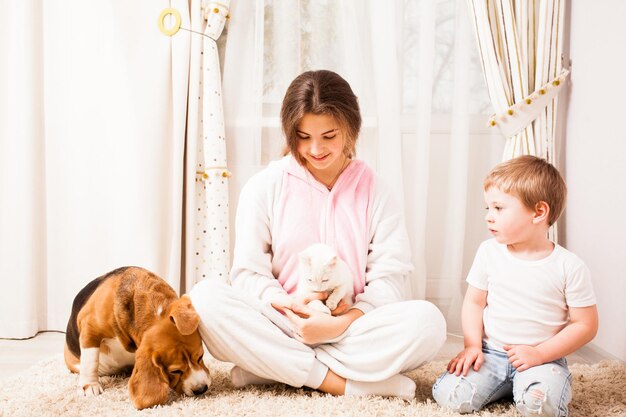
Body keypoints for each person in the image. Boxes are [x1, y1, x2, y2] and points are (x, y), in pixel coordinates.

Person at [189, 69, 446, 400]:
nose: (315, 149)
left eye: (329, 136)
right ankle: (342, 383)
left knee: (429, 323)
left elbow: (391, 280)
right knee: (205, 298)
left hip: (352, 327)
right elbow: (248, 274)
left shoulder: (378, 191)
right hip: (283, 322)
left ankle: (272, 367)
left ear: (351, 129)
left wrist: (342, 322)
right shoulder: (264, 187)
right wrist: (290, 306)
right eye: (303, 136)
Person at [432, 155, 598, 416]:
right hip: (492, 354)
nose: (489, 217)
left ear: (539, 212)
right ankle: (506, 386)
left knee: (541, 406)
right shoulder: (488, 252)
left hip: (543, 359)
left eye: (498, 208)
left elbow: (585, 325)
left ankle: (534, 385)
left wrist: (540, 354)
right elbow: (475, 302)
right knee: (449, 395)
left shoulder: (569, 266)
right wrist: (472, 345)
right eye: (487, 208)